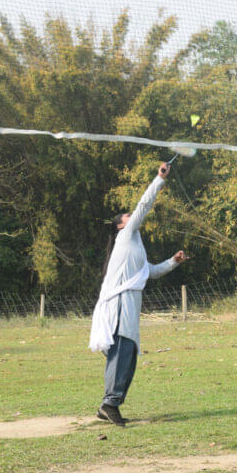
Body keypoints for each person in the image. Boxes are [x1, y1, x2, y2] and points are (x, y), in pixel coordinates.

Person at [89, 162, 190, 426]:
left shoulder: (136, 251)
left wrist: (173, 262)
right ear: (121, 226)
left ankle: (109, 405)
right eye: (127, 216)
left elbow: (151, 272)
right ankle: (110, 403)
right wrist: (159, 179)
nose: (131, 217)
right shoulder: (126, 237)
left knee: (128, 355)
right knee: (121, 353)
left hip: (129, 308)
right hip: (120, 307)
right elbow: (144, 206)